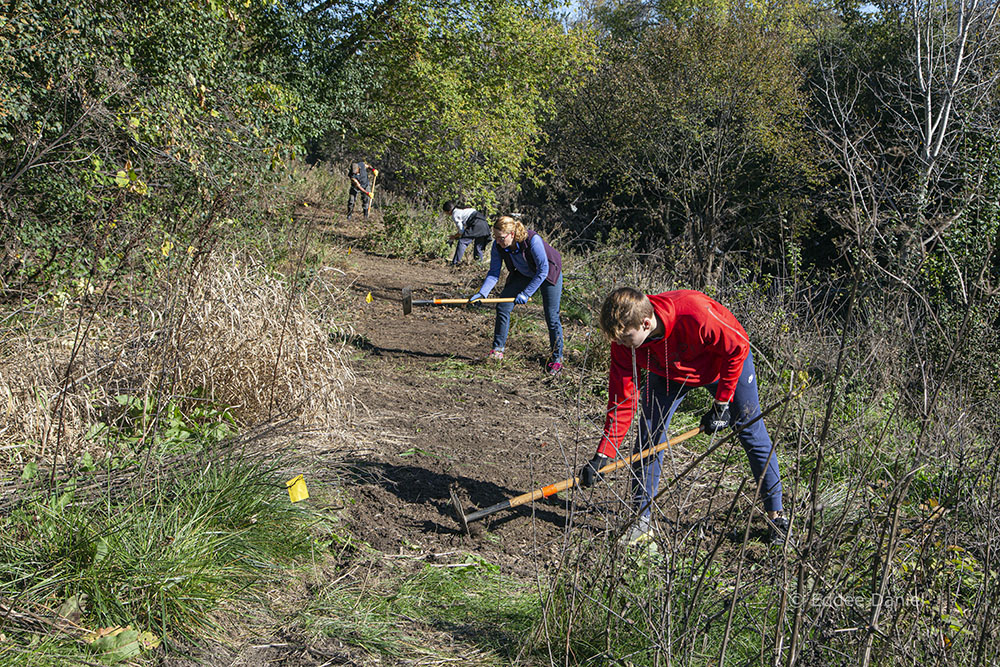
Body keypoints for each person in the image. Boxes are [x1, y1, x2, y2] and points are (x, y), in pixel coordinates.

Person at [578, 287, 788, 545]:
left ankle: (776, 515)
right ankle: (640, 521)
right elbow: (622, 398)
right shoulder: (624, 343)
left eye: (625, 338)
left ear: (646, 323)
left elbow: (737, 346)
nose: (620, 344)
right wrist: (604, 453)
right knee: (649, 437)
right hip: (668, 372)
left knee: (749, 429)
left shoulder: (694, 312)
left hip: (724, 366)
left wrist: (722, 403)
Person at [469, 215, 564, 376]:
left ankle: (557, 359)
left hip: (548, 272)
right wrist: (482, 293)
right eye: (496, 237)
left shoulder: (532, 241)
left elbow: (542, 270)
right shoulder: (498, 246)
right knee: (503, 306)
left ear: (511, 234)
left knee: (551, 316)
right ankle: (497, 351)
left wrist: (526, 293)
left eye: (501, 238)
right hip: (523, 273)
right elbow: (493, 273)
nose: (497, 241)